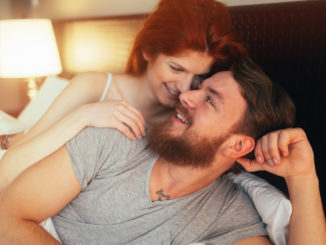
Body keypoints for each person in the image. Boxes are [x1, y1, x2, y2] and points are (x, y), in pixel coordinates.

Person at [1, 58, 325, 245]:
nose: (187, 95)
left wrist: (303, 178)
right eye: (199, 87)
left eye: (210, 100)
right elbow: (7, 217)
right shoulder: (116, 139)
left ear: (238, 145)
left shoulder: (228, 215)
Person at [0, 0, 246, 189]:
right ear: (148, 51)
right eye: (176, 68)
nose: (184, 88)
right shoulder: (94, 87)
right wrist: (85, 115)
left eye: (198, 78)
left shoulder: (184, 119)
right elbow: (7, 172)